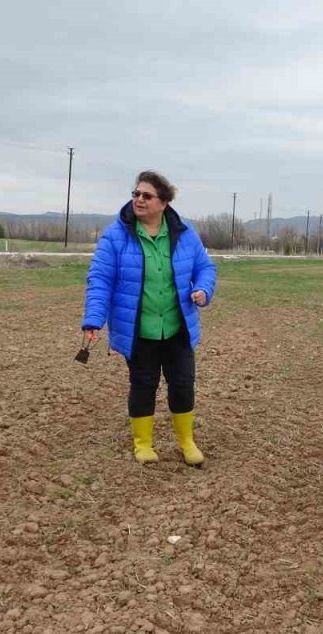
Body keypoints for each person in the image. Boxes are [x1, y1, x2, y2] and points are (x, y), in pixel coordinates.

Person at [81, 171, 217, 465]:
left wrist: (203, 289)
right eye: (136, 194)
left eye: (146, 195)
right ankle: (143, 444)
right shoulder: (115, 236)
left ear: (164, 202)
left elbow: (205, 268)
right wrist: (93, 320)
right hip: (139, 331)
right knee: (143, 385)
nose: (138, 200)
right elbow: (100, 280)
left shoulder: (184, 233)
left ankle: (187, 442)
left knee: (183, 384)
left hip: (178, 328)